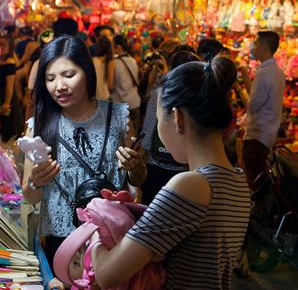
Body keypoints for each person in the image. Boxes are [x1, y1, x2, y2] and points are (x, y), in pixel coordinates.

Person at [90, 57, 251, 290]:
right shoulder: (239, 182)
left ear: (177, 117)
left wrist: (96, 225)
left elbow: (107, 274)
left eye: (158, 120)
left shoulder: (191, 185)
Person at [22, 36, 145, 268]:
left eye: (69, 75)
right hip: (62, 243)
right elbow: (30, 195)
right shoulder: (39, 125)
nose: (59, 86)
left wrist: (136, 169)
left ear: (87, 72)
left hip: (110, 237)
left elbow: (137, 183)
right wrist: (36, 182)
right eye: (50, 78)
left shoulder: (118, 117)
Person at [140, 51, 200, 205]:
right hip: (187, 168)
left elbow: (148, 125)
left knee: (152, 209)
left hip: (157, 165)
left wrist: (143, 151)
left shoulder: (161, 93)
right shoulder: (197, 94)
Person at [239, 31, 285, 191]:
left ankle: (262, 212)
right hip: (268, 132)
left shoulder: (264, 74)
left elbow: (252, 105)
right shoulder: (277, 72)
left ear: (265, 48)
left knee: (256, 181)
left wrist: (239, 90)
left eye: (256, 44)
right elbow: (257, 98)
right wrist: (244, 76)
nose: (253, 47)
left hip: (258, 134)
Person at [0, 36, 24, 142]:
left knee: (8, 127)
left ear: (10, 48)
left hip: (6, 96)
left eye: (5, 45)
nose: (2, 47)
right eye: (1, 44)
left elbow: (10, 85)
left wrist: (7, 102)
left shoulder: (10, 62)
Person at [112, 35, 141, 130]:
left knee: (122, 138)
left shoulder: (113, 63)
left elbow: (110, 86)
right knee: (134, 138)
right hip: (135, 103)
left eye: (112, 46)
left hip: (120, 105)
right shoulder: (132, 60)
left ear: (118, 47)